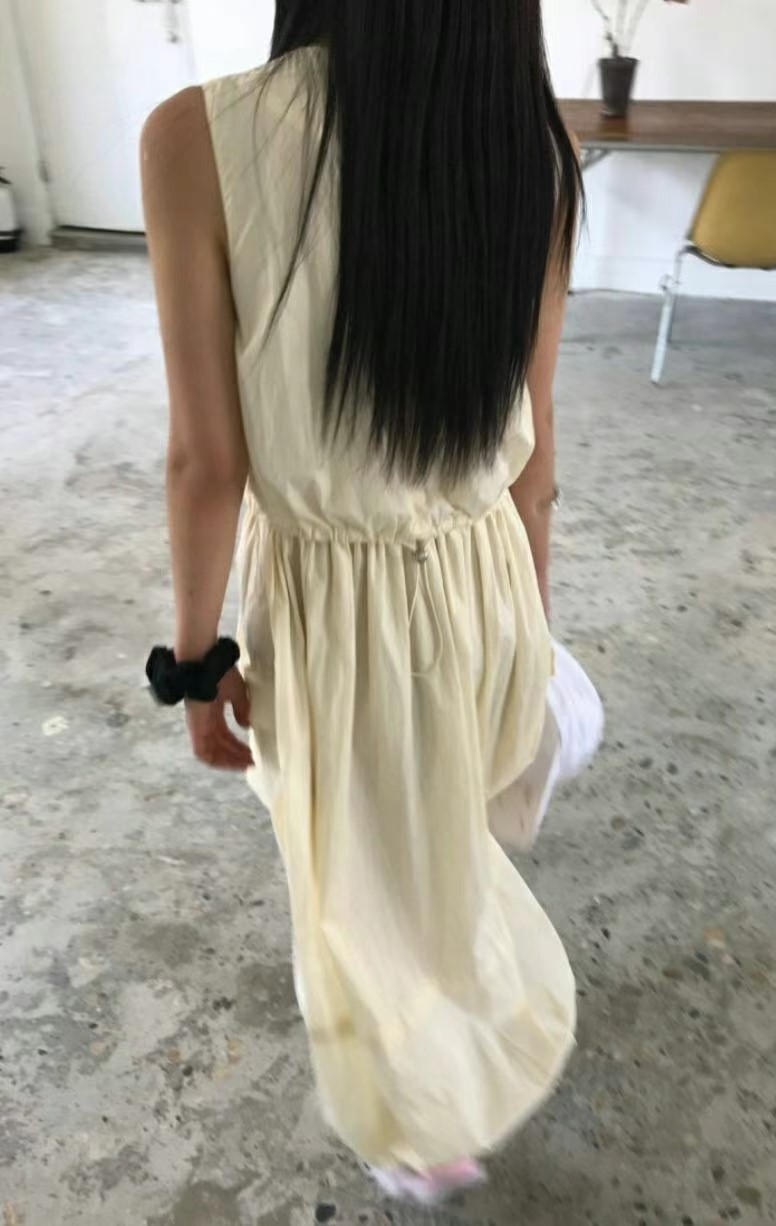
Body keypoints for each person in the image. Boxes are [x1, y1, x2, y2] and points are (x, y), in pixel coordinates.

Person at [141, 0, 582, 1205]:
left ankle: (426, 1119)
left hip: (337, 612)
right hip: (488, 576)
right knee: (433, 836)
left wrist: (196, 665)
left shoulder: (197, 137)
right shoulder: (530, 143)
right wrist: (529, 635)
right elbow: (536, 444)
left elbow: (206, 463)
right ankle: (445, 1063)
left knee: (356, 881)